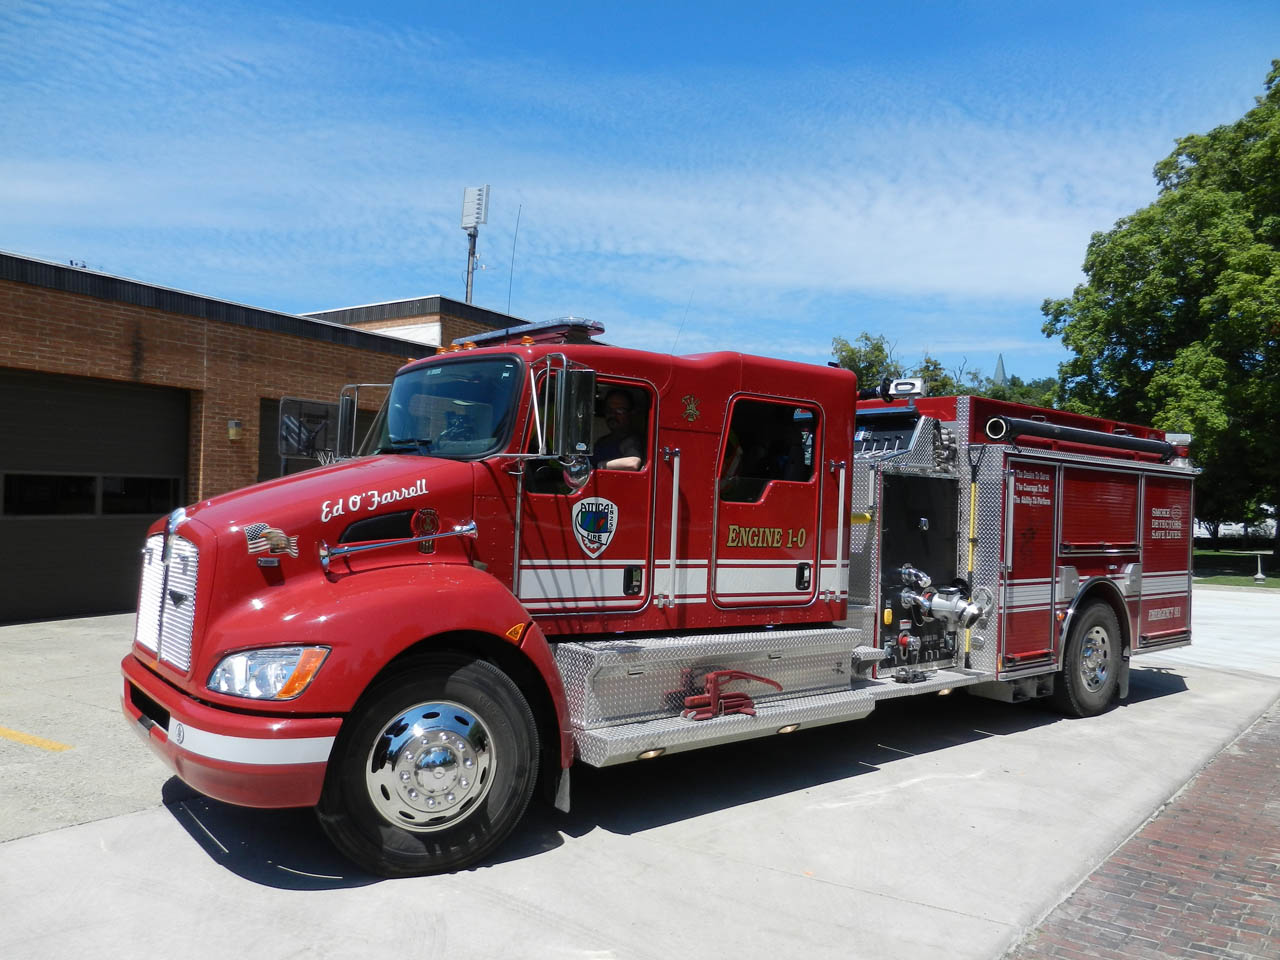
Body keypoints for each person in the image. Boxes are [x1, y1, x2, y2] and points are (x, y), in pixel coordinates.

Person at [593, 388, 644, 470]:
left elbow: (633, 463)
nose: (613, 415)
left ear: (631, 414)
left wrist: (598, 466)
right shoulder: (602, 441)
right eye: (609, 410)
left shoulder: (631, 440)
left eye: (620, 410)